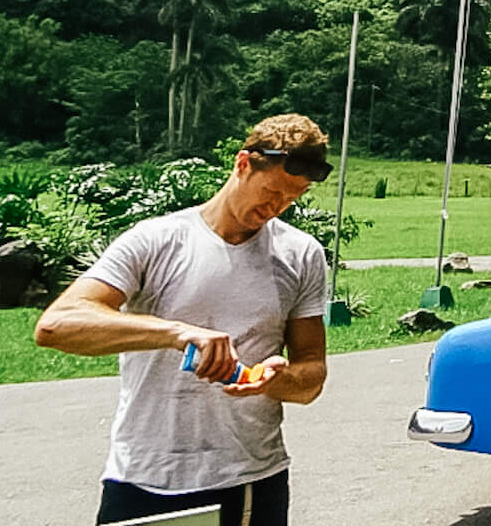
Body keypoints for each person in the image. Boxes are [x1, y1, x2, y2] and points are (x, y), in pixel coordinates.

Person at [34, 115, 335, 525]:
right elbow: (57, 325)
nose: (275, 207)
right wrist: (175, 332)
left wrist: (278, 380)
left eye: (291, 197)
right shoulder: (156, 239)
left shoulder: (301, 254)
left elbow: (312, 376)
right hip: (144, 476)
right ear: (243, 164)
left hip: (250, 477)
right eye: (271, 191)